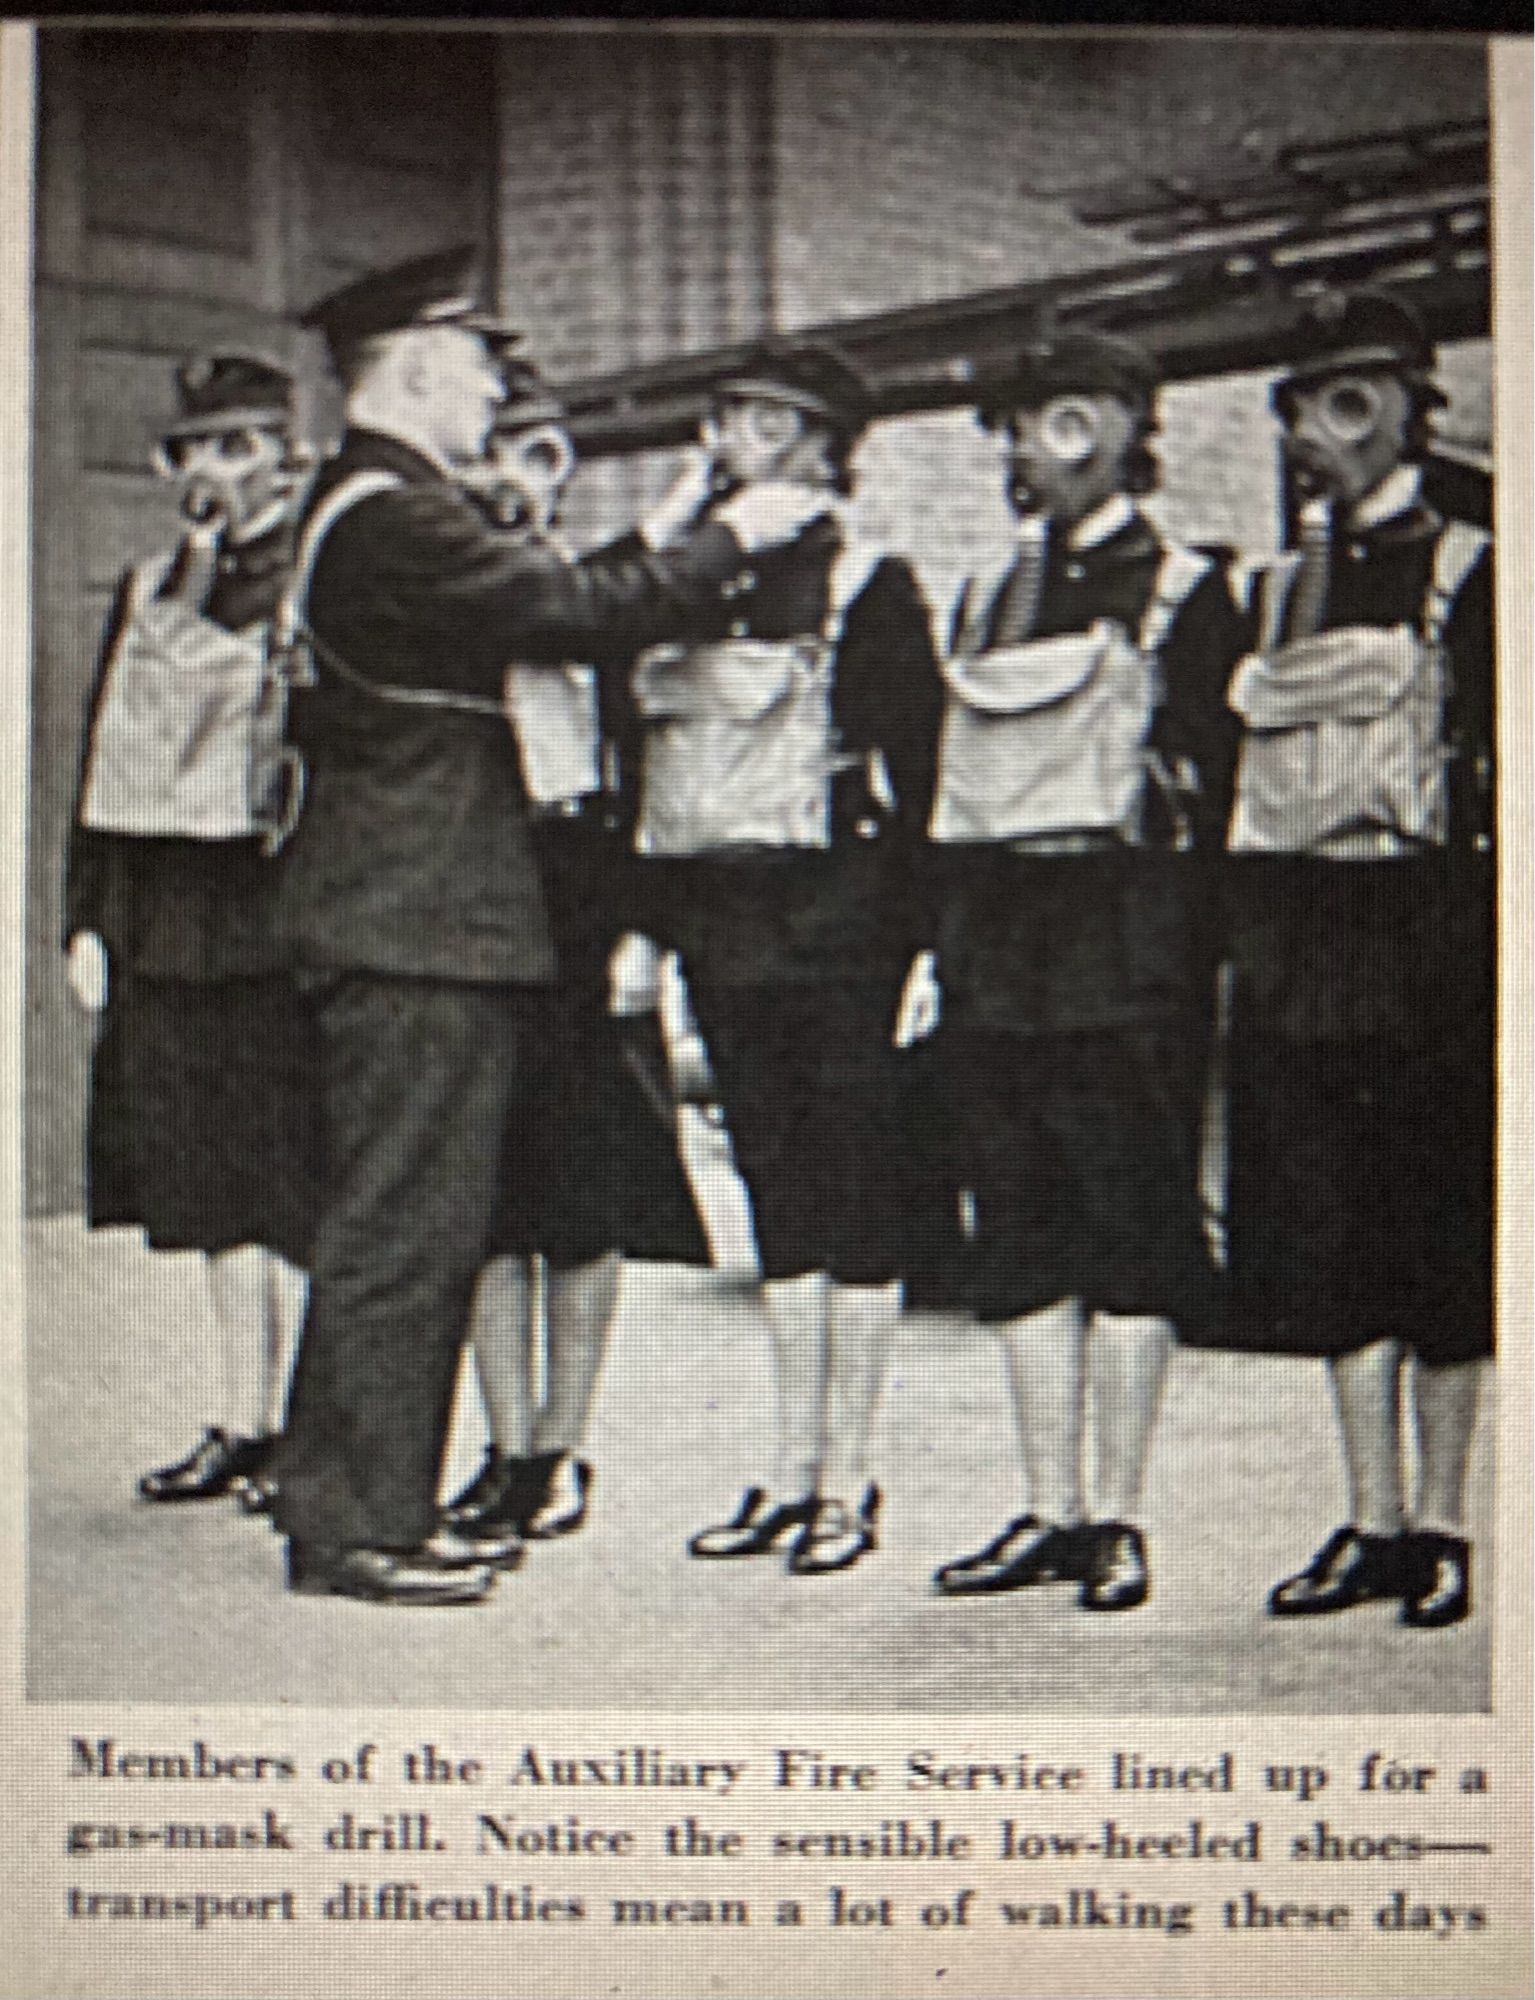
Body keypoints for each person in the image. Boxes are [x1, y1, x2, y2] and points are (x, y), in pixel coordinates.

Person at [266, 246, 831, 1605]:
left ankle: (367, 1502)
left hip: (412, 910)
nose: (491, 395)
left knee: (409, 1219)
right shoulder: (397, 513)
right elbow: (569, 614)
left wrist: (673, 525)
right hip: (418, 917)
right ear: (410, 366)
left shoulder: (380, 504)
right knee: (404, 1228)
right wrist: (731, 541)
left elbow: (553, 595)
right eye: (476, 367)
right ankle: (354, 1526)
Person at [910, 330, 1244, 1611]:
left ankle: (1120, 1509)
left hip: (1123, 945)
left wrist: (1193, 955)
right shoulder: (981, 598)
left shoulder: (1185, 592)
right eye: (1009, 423)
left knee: (1131, 1226)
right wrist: (939, 959)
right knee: (1019, 1227)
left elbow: (1212, 789)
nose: (1026, 448)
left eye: (1054, 418)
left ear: (1121, 426)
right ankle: (1047, 1504)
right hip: (999, 949)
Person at [619, 339, 944, 1576]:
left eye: (769, 419)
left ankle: (846, 1476)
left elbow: (918, 779)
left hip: (845, 928)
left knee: (854, 1196)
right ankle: (787, 1462)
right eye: (728, 415)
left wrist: (924, 944)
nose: (736, 435)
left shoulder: (868, 581)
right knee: (769, 1193)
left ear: (823, 448)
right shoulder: (692, 580)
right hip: (726, 925)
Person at [1215, 289, 1494, 1629]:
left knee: (1437, 1226)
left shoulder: (1479, 571)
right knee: (1329, 1229)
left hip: (1436, 932)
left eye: (1344, 402)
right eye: (1297, 407)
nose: (1313, 434)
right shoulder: (1272, 589)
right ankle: (1365, 1519)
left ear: (1403, 412)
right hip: (1306, 938)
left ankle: (1442, 1523)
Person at [442, 363, 712, 1543]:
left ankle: (561, 1443)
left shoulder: (599, 600)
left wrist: (643, 933)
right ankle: (500, 1447)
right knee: (485, 1199)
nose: (517, 482)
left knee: (582, 1191)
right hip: (473, 902)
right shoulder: (446, 593)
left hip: (582, 902)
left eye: (543, 458)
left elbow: (645, 768)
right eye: (496, 454)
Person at [66, 354, 316, 1505]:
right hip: (173, 917)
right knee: (211, 1178)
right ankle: (241, 1413)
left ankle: (309, 1423)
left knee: (292, 1171)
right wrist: (90, 915)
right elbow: (106, 751)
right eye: (194, 450)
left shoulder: (315, 576)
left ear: (283, 451)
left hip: (278, 911)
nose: (211, 470)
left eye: (236, 445)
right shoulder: (154, 585)